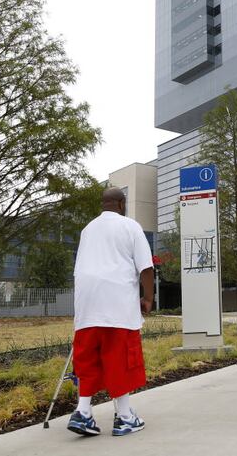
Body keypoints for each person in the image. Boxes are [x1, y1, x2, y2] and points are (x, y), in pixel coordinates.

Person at [67, 187, 155, 437]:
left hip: (87, 306)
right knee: (121, 358)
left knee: (88, 359)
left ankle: (83, 413)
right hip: (118, 304)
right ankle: (125, 417)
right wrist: (148, 298)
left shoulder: (87, 230)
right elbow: (146, 267)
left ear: (103, 204)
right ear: (121, 203)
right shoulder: (130, 226)